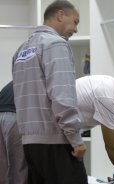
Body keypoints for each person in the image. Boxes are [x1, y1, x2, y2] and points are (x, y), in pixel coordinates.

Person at [12, 1, 87, 183]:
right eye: (75, 22)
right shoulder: (56, 44)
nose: (76, 29)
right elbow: (62, 96)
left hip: (30, 145)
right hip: (56, 143)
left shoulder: (21, 51)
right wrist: (76, 139)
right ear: (61, 15)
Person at [0, 81, 27, 184]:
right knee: (18, 169)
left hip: (2, 113)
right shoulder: (37, 78)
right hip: (15, 118)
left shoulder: (17, 78)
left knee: (3, 169)